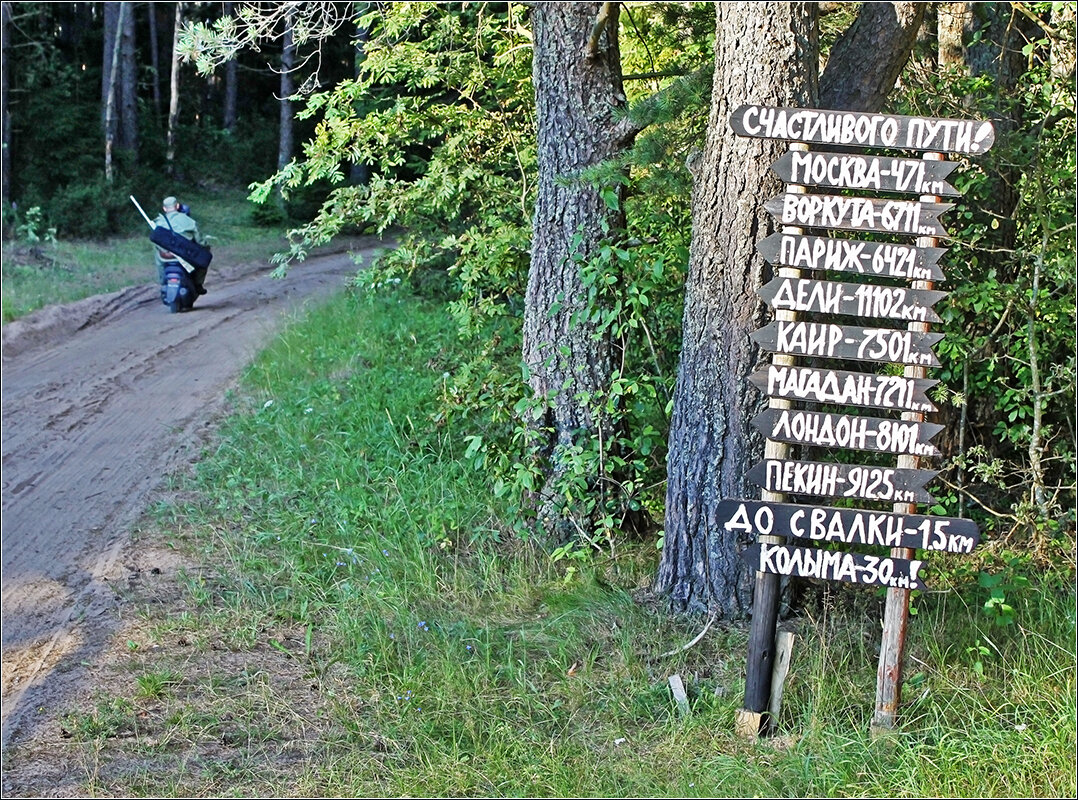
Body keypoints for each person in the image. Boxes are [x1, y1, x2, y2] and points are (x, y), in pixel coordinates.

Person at [153, 196, 207, 295]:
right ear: (177, 206)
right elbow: (200, 241)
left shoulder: (158, 223)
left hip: (166, 257)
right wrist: (204, 245)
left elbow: (156, 242)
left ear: (164, 209)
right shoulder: (188, 221)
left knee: (157, 255)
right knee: (203, 261)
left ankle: (162, 281)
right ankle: (198, 284)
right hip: (185, 255)